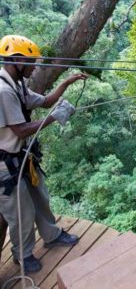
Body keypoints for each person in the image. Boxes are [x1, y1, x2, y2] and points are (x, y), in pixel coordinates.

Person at [0, 35, 88, 273]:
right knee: (21, 213)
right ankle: (23, 254)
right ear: (17, 61)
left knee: (40, 197)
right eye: (31, 61)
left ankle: (52, 234)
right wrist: (55, 118)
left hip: (21, 157)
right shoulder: (3, 91)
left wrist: (67, 82)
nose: (35, 66)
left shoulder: (16, 85)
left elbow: (47, 102)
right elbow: (19, 130)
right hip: (5, 163)